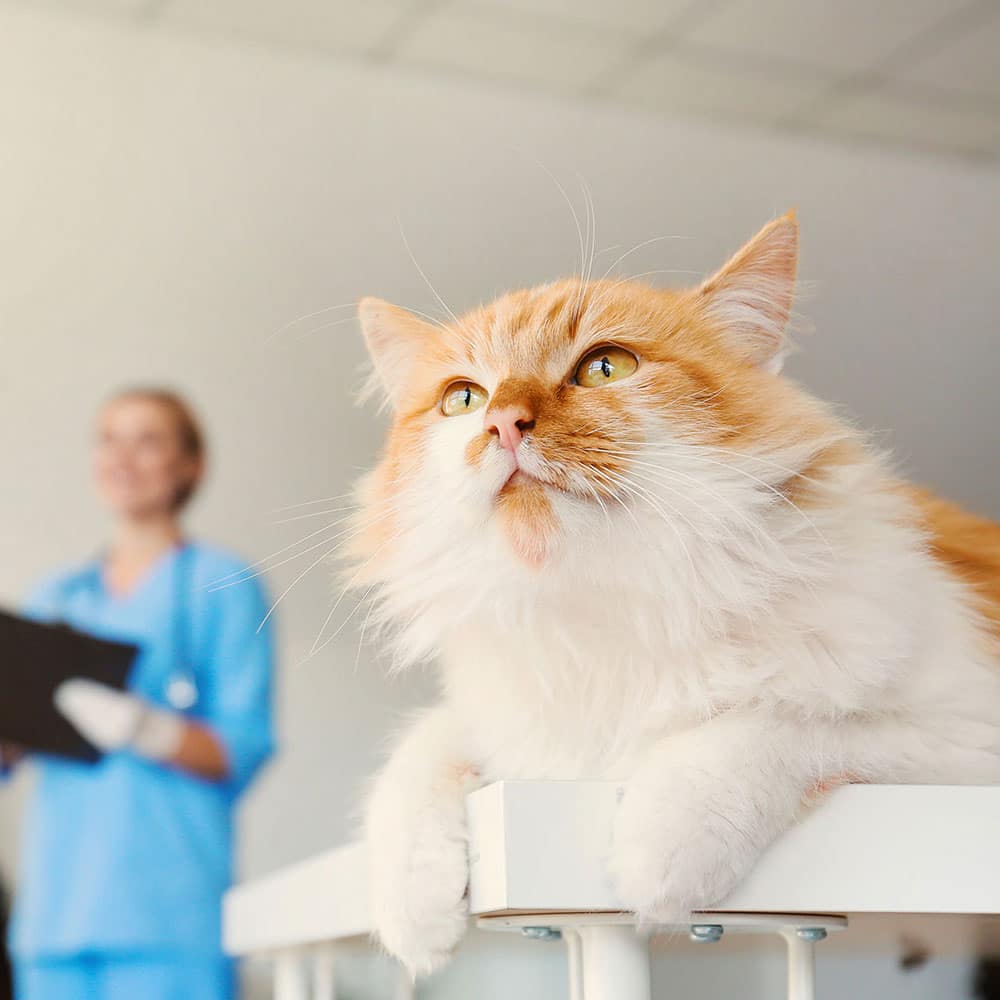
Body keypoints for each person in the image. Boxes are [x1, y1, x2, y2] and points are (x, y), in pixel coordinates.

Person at [1, 388, 275, 1000]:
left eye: (148, 439)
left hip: (169, 918)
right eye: (109, 439)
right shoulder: (55, 598)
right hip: (55, 920)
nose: (123, 456)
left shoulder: (223, 586)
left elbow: (243, 748)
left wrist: (147, 729)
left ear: (190, 465)